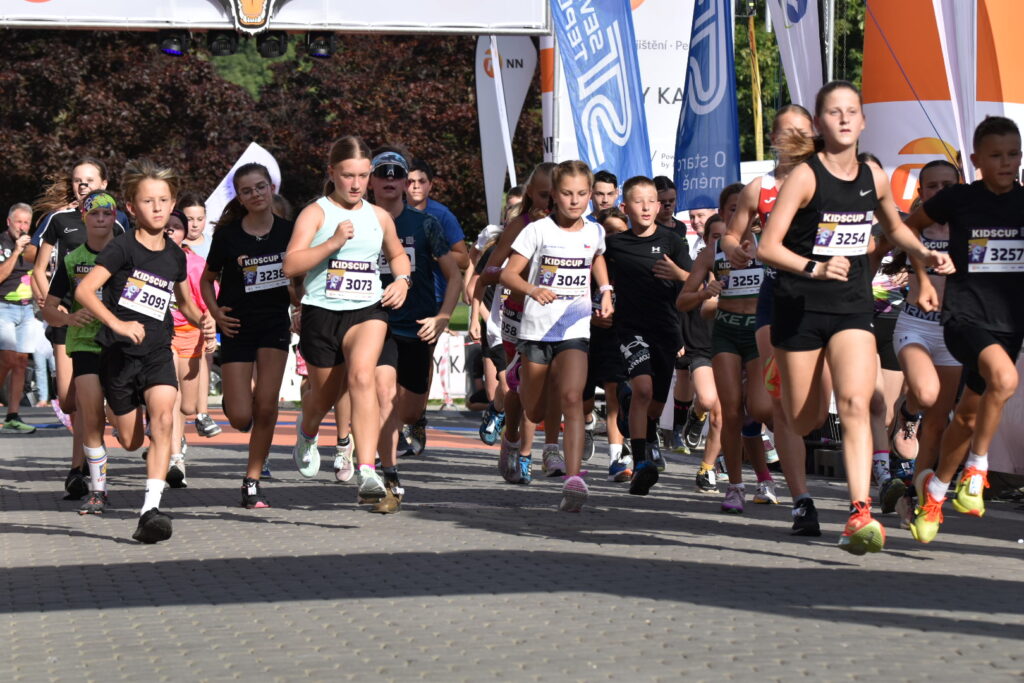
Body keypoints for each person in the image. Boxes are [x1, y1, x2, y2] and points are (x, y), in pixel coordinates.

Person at [754, 81, 950, 555]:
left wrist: (923, 256)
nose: (843, 118)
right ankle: (787, 376)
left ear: (863, 121)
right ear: (820, 124)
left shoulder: (873, 176)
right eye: (834, 112)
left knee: (856, 403)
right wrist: (815, 267)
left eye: (851, 111)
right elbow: (767, 247)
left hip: (851, 307)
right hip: (800, 309)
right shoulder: (805, 177)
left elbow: (895, 226)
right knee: (805, 419)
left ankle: (859, 511)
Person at [76, 159, 216, 544]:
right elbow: (85, 290)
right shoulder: (121, 248)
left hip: (157, 352)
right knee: (130, 440)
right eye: (148, 201)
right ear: (131, 207)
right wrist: (118, 325)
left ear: (172, 204)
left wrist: (204, 319)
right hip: (119, 357)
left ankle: (150, 510)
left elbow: (185, 302)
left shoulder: (175, 255)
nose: (157, 208)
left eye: (164, 200)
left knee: (165, 418)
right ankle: (125, 420)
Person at [905, 116, 1023, 544]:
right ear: (976, 160)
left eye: (1014, 154)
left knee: (970, 415)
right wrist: (922, 276)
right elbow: (909, 228)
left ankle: (935, 494)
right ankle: (976, 472)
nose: (1006, 163)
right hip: (963, 318)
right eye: (997, 155)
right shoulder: (958, 199)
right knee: (1005, 380)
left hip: (1009, 326)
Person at [283, 135, 410, 506]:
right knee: (322, 398)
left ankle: (367, 470)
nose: (356, 184)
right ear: (332, 173)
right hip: (321, 313)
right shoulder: (316, 213)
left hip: (367, 309)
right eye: (348, 175)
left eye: (363, 176)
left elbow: (398, 255)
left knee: (362, 377)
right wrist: (332, 243)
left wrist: (402, 280)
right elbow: (291, 264)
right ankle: (308, 431)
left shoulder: (379, 216)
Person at [721, 103, 824, 535]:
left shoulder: (827, 179)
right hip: (777, 297)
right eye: (785, 132)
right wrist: (734, 249)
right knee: (773, 404)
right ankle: (802, 501)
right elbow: (731, 233)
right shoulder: (758, 188)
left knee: (813, 413)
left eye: (802, 131)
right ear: (773, 140)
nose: (794, 139)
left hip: (829, 300)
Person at [500, 159, 612, 511]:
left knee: (572, 397)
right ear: (555, 195)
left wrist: (606, 289)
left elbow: (596, 257)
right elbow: (508, 275)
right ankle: (511, 435)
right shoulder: (538, 230)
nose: (574, 201)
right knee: (534, 411)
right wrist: (532, 290)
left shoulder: (594, 231)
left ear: (590, 194)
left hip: (575, 327)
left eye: (581, 194)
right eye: (566, 193)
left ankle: (573, 481)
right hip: (537, 330)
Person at [370, 148, 463, 513]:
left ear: (406, 183)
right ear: (371, 181)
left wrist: (443, 317)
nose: (391, 180)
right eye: (383, 174)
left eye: (398, 175)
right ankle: (389, 478)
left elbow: (454, 275)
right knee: (384, 396)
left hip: (418, 327)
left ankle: (415, 423)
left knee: (407, 411)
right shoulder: (358, 224)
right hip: (375, 322)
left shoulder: (425, 224)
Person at [202, 163, 296, 508]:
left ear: (271, 188)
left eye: (260, 187)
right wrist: (216, 313)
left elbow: (301, 279)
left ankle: (252, 480)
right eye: (247, 190)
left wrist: (300, 307)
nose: (255, 194)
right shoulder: (228, 236)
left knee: (267, 405)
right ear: (239, 198)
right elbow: (206, 280)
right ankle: (237, 402)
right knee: (242, 416)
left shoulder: (291, 232)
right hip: (237, 326)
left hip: (274, 324)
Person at [32, 158, 127, 495]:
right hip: (70, 318)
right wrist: (51, 305)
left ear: (104, 182)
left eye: (89, 179)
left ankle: (78, 468)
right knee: (69, 401)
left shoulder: (117, 220)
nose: (83, 184)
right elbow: (39, 268)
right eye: (77, 180)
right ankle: (88, 445)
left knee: (90, 399)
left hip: (107, 322)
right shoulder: (59, 219)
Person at [884, 161, 961, 526]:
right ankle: (908, 411)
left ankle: (915, 494)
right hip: (915, 325)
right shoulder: (913, 227)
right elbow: (879, 248)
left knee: (938, 424)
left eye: (948, 185)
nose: (941, 192)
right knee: (927, 396)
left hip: (953, 331)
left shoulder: (970, 226)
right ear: (921, 192)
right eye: (933, 186)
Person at [604, 176, 691, 496]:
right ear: (625, 207)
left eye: (651, 201)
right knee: (643, 390)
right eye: (638, 201)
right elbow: (595, 273)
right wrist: (601, 300)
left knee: (654, 406)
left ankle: (630, 407)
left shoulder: (673, 241)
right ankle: (641, 464)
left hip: (666, 330)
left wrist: (678, 274)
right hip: (631, 329)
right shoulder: (614, 244)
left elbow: (695, 280)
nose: (645, 207)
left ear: (658, 206)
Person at [405, 158, 470, 455]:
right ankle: (392, 422)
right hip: (397, 296)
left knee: (420, 359)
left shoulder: (441, 215)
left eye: (421, 181)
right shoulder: (389, 214)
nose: (415, 187)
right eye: (410, 181)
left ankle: (416, 418)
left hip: (431, 298)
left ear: (431, 185)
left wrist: (434, 251)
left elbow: (463, 258)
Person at [165, 211, 215, 490]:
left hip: (190, 335)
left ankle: (177, 437)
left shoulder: (195, 264)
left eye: (176, 228)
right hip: (162, 336)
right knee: (170, 395)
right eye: (167, 227)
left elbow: (206, 304)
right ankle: (176, 461)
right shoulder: (146, 260)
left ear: (185, 234)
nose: (170, 231)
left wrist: (208, 328)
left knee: (186, 405)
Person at [589, 207, 631, 480]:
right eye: (609, 233)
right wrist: (591, 318)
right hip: (586, 336)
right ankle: (586, 424)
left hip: (618, 338)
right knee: (582, 400)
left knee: (615, 395)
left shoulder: (631, 262)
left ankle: (616, 458)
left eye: (620, 232)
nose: (614, 238)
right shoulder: (590, 260)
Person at [176, 192, 220, 438]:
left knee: (205, 358)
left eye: (199, 219)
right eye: (189, 219)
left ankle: (202, 413)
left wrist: (212, 313)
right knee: (174, 379)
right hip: (176, 318)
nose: (194, 224)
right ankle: (174, 433)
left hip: (206, 313)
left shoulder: (213, 244)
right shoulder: (173, 241)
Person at [0, 203, 39, 433]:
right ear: (9, 222)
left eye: (26, 222)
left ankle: (13, 415)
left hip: (27, 309)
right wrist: (16, 251)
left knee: (22, 361)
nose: (22, 227)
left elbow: (40, 273)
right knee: (7, 359)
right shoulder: (2, 243)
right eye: (18, 222)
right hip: (3, 307)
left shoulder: (33, 247)